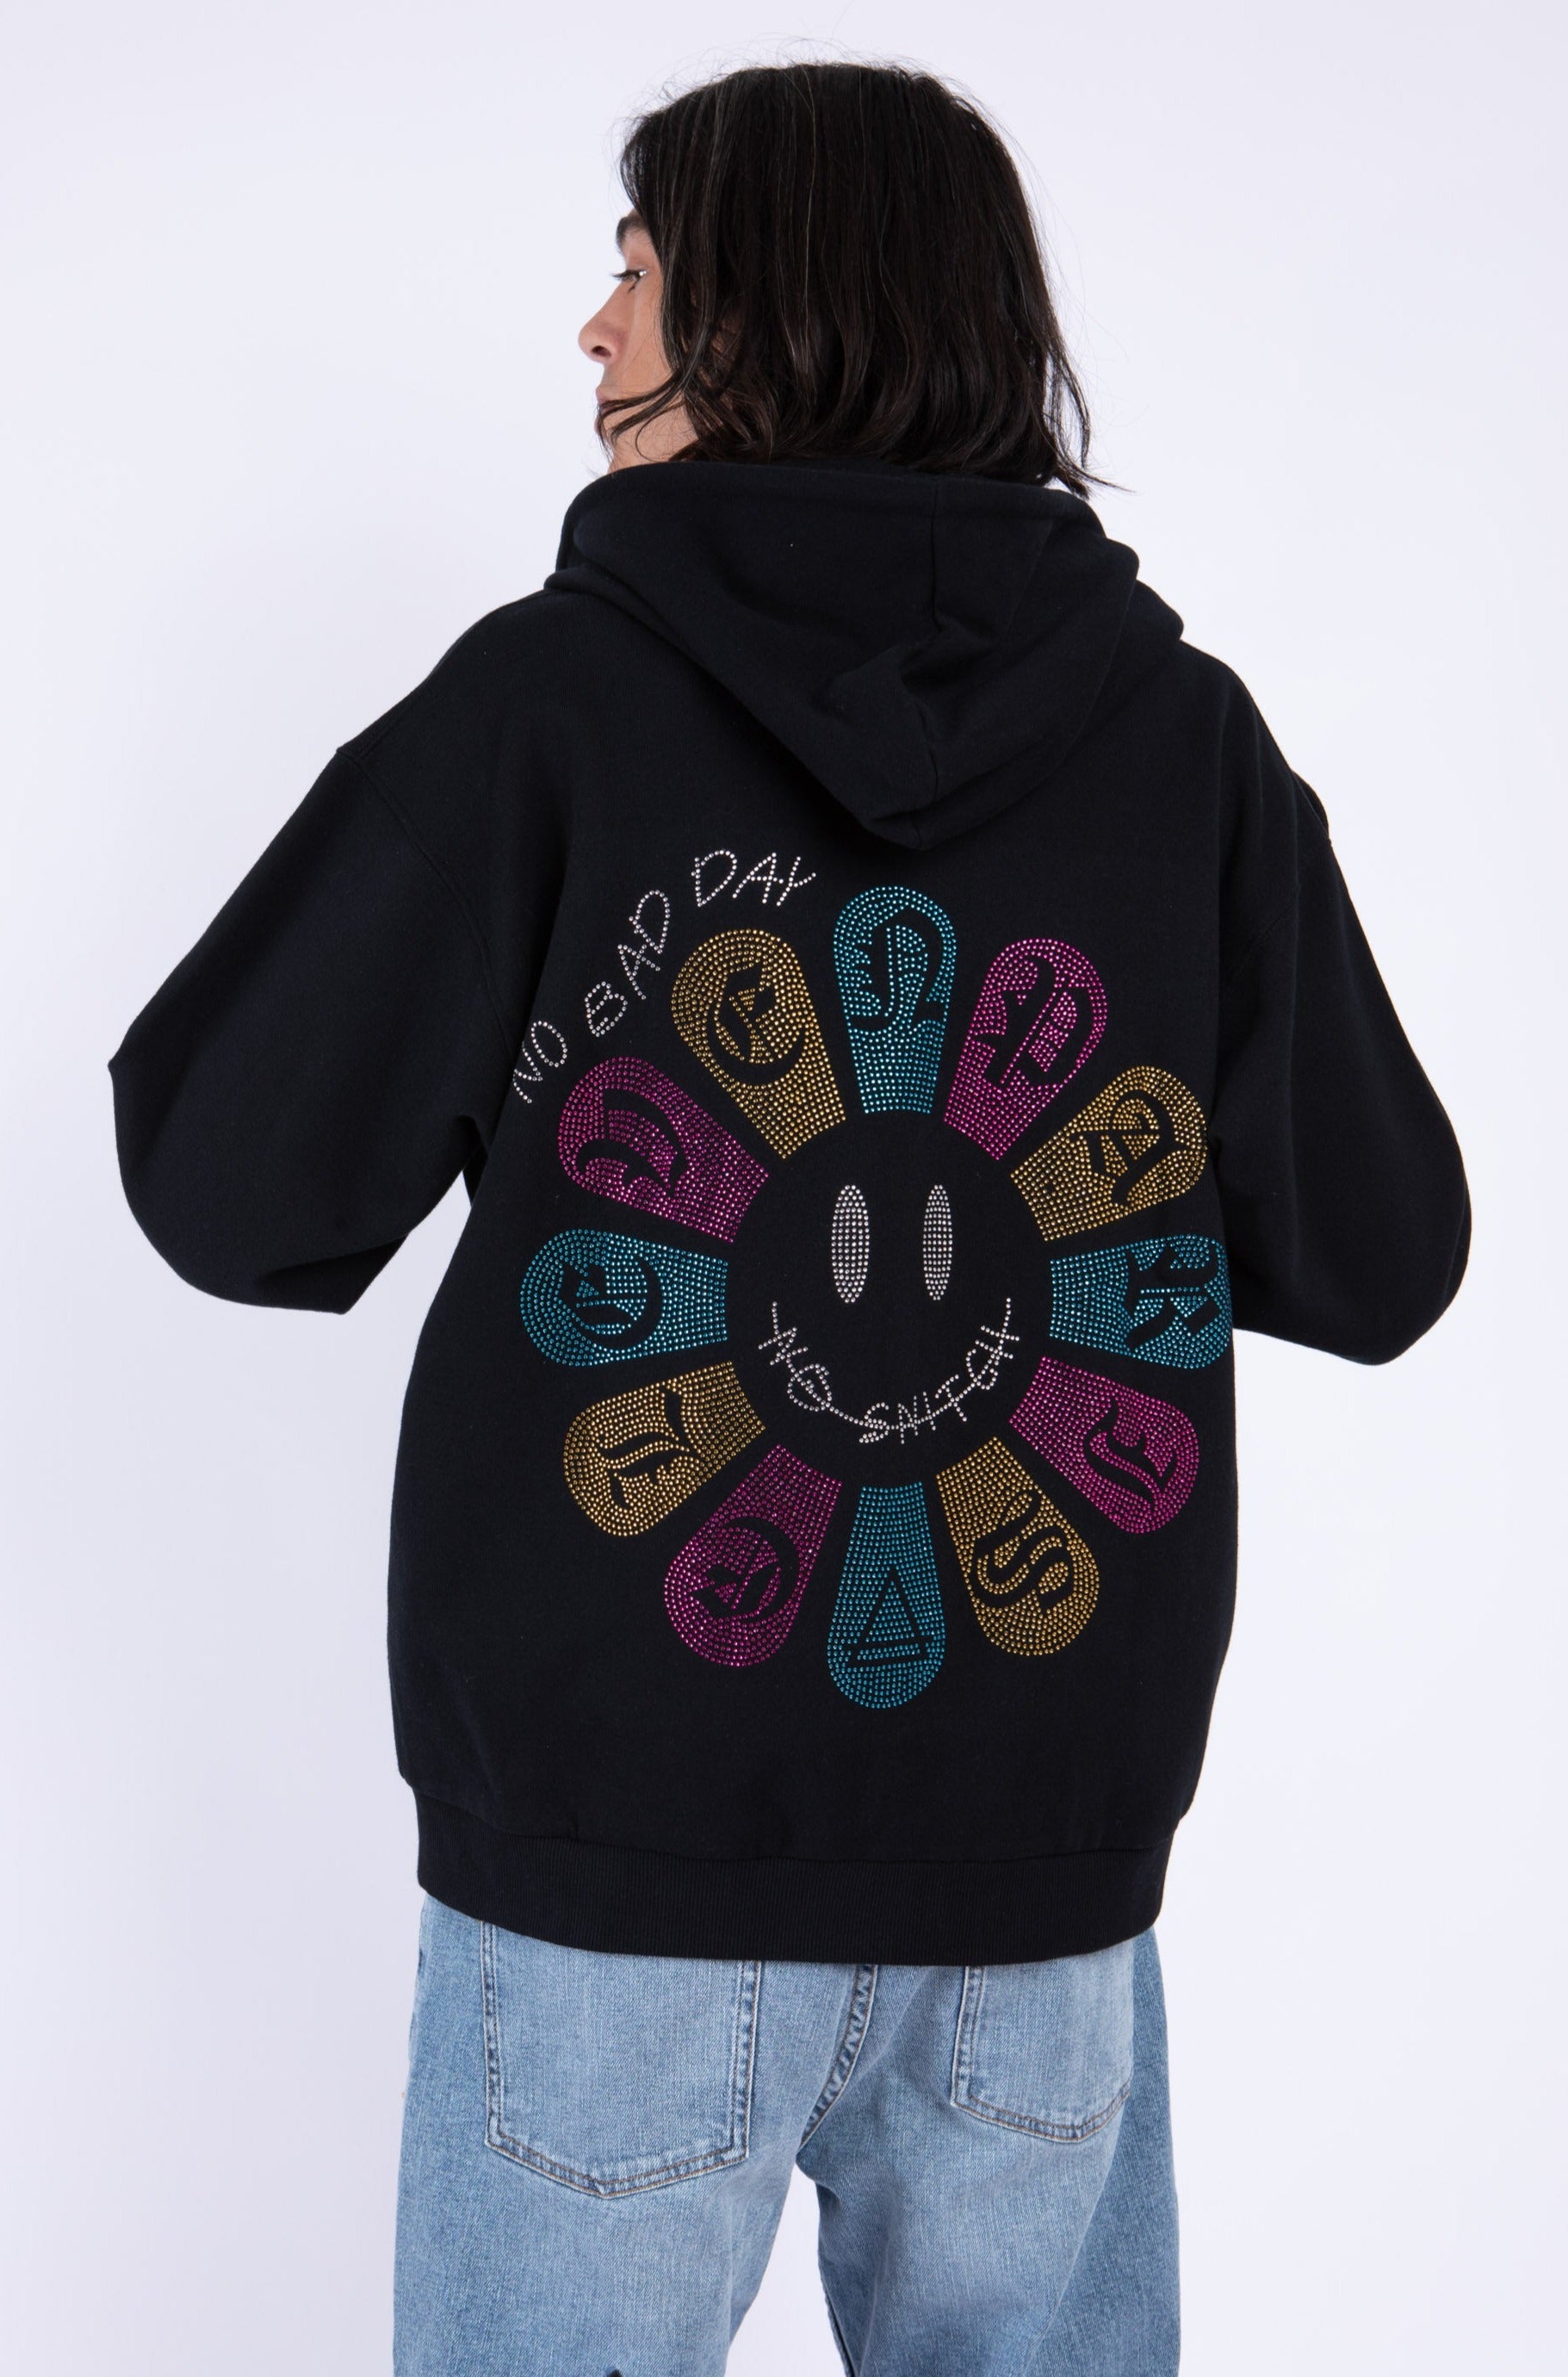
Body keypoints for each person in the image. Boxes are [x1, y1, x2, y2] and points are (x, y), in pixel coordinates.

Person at [109, 59, 1469, 2377]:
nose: (593, 332)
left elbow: (228, 1175)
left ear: (763, 308)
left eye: (638, 274)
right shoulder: (1186, 748)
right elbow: (1383, 1249)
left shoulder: (545, 710)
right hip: (1039, 1889)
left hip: (608, 1884)